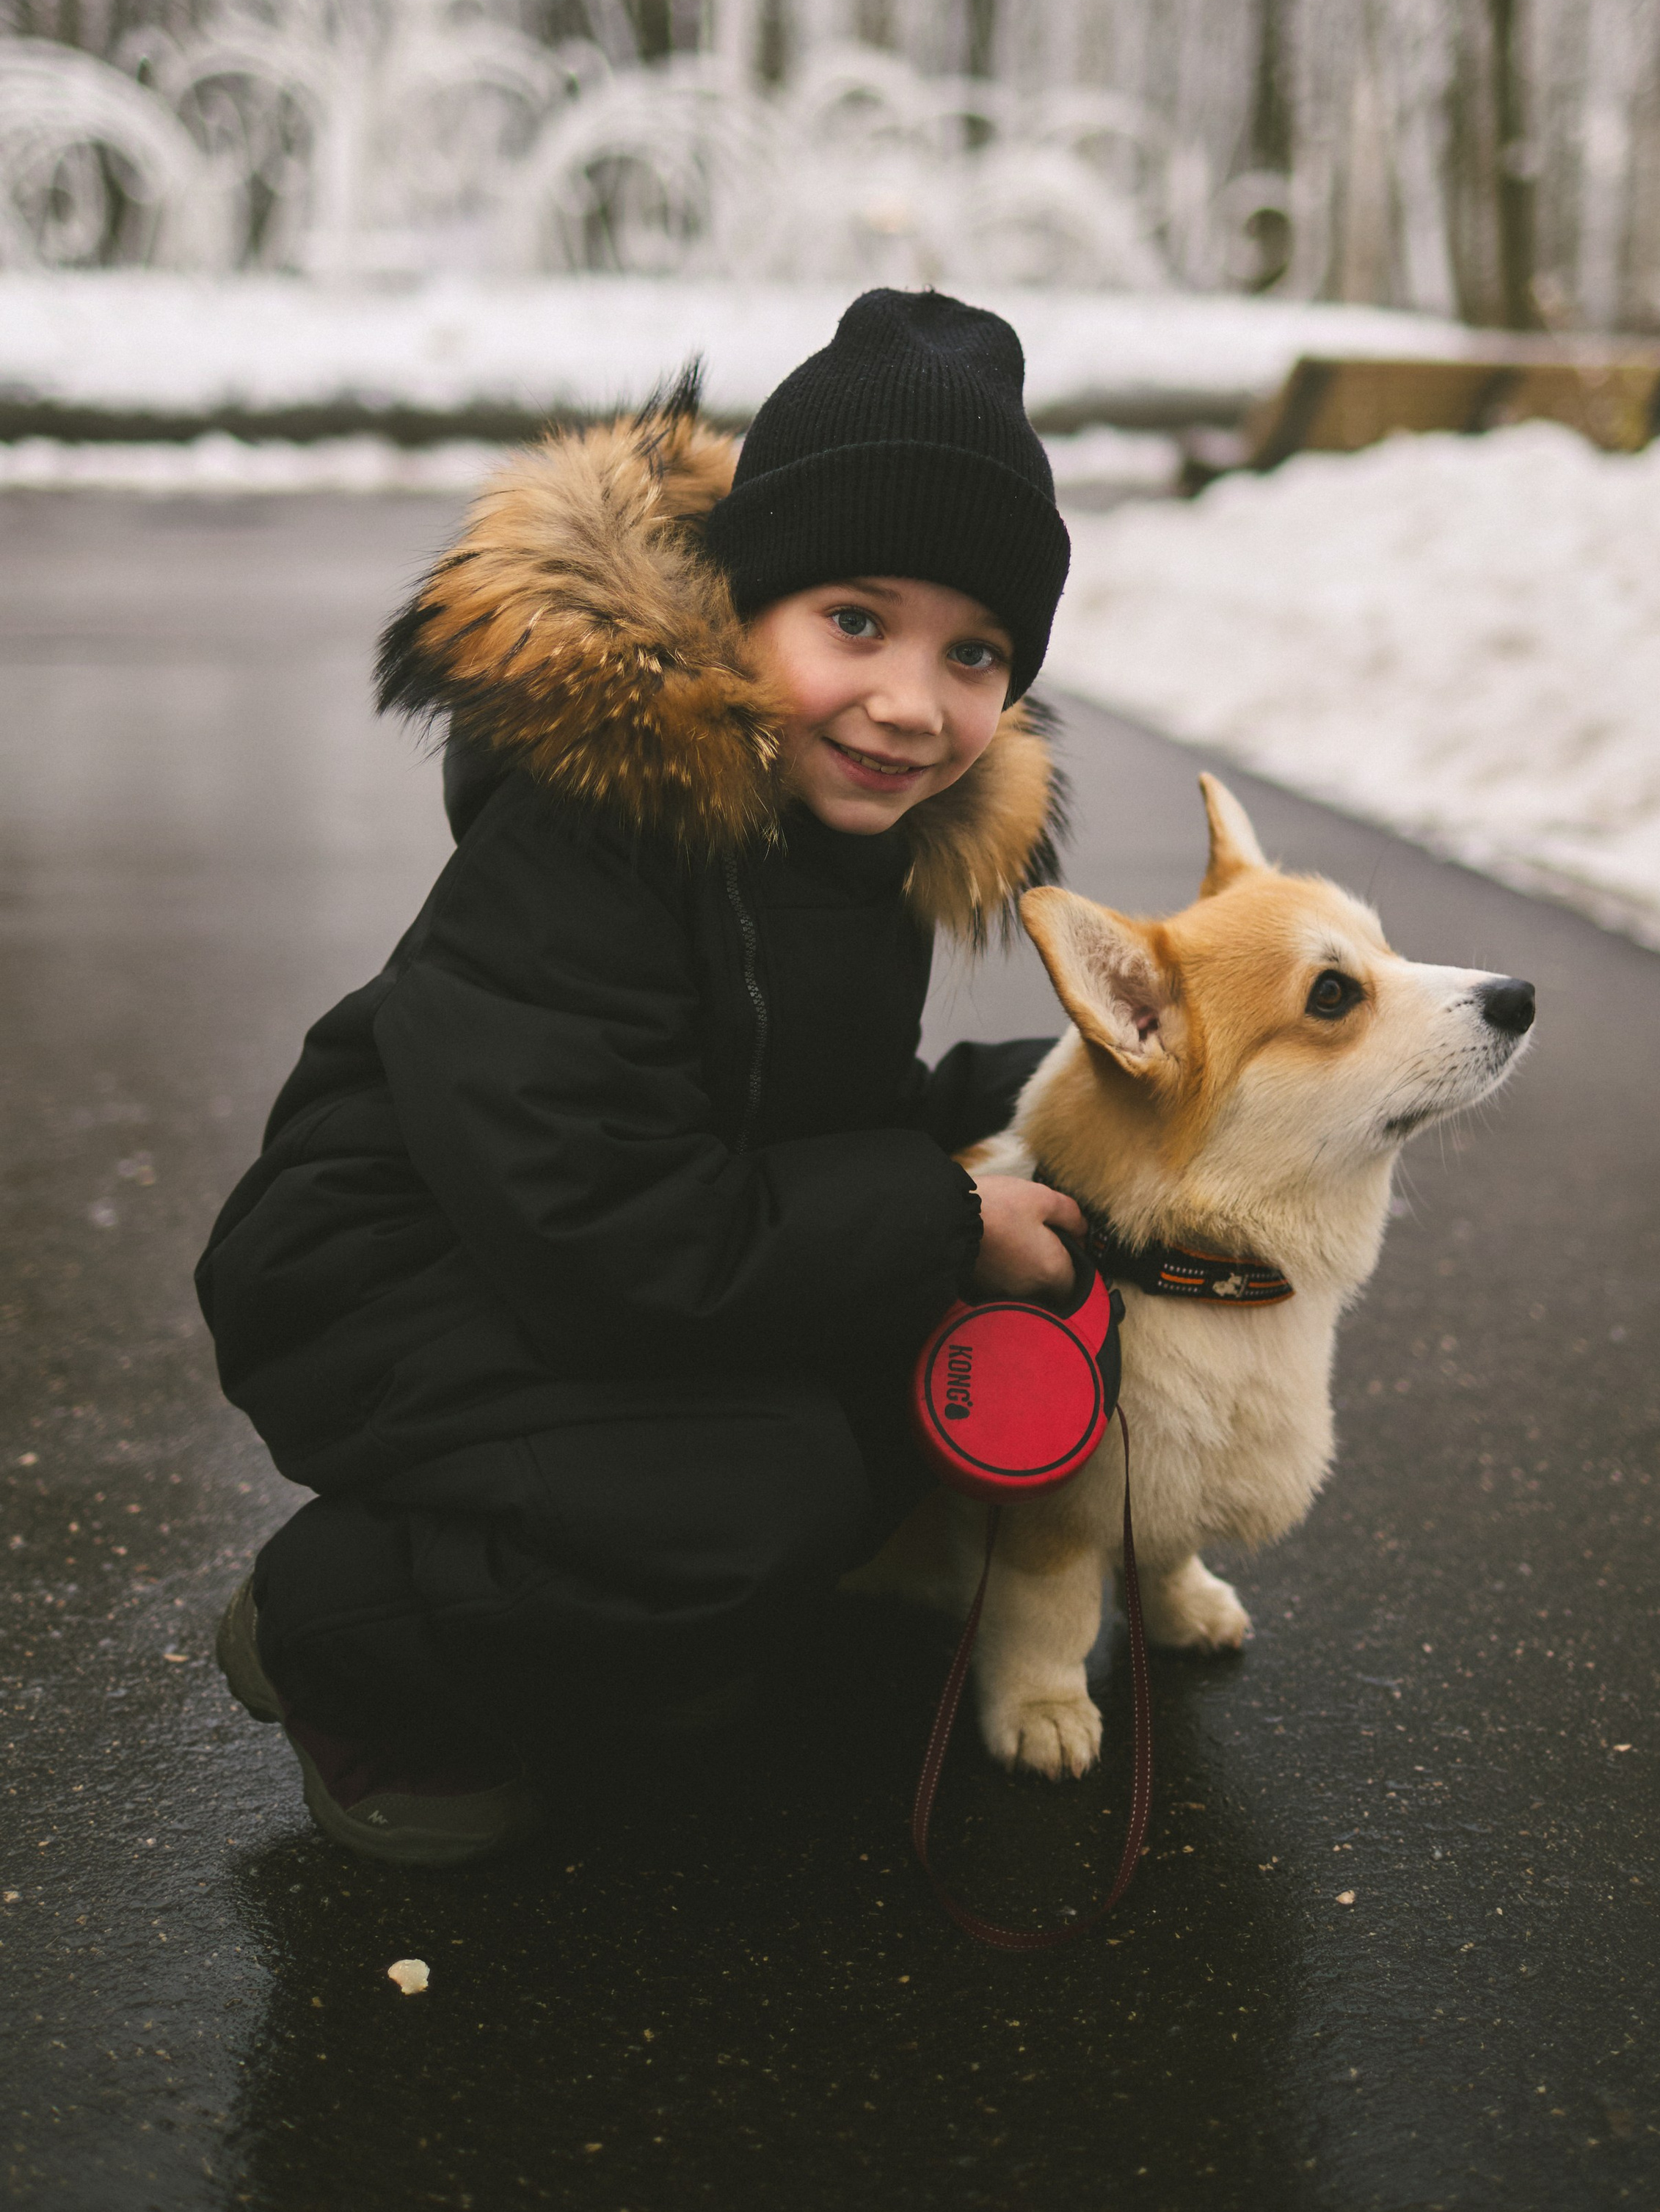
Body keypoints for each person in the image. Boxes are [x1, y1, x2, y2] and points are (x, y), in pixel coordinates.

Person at [196, 288, 1085, 1866]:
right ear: (744, 608)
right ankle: (337, 1636)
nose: (909, 702)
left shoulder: (846, 847)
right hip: (387, 1276)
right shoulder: (589, 838)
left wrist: (1055, 1112)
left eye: (975, 653)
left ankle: (610, 1616)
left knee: (878, 1398)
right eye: (855, 621)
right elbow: (611, 1226)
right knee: (760, 1490)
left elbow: (813, 1129)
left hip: (576, 1256)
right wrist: (950, 1216)